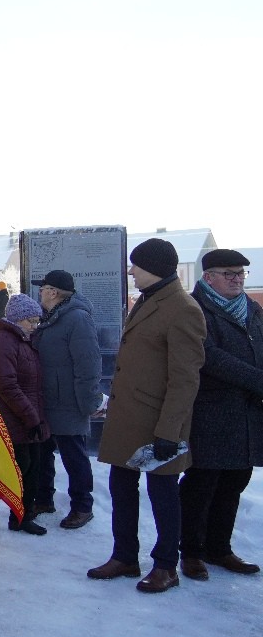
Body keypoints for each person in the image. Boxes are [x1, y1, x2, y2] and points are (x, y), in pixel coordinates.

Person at [88, 238, 205, 593]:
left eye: (136, 265)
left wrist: (169, 431)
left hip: (158, 423)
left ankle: (166, 565)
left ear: (153, 267)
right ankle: (124, 556)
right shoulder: (148, 301)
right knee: (121, 486)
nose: (131, 271)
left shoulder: (183, 308)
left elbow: (185, 378)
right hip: (128, 420)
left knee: (163, 493)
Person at [179, 249, 262, 579]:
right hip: (210, 410)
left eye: (240, 273)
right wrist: (257, 379)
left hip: (247, 413)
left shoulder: (251, 310)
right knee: (203, 483)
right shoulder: (196, 308)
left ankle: (220, 548)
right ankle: (192, 552)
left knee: (234, 481)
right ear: (208, 276)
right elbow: (208, 356)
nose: (237, 279)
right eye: (229, 273)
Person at [0, 294, 51, 535]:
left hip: (26, 414)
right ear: (18, 319)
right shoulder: (3, 343)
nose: (35, 326)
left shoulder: (23, 340)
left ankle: (21, 518)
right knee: (18, 465)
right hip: (10, 415)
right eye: (32, 321)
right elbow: (7, 387)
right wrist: (31, 417)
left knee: (32, 467)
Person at [30, 270, 102, 529]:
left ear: (53, 292)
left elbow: (89, 364)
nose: (39, 293)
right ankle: (43, 499)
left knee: (74, 456)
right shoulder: (51, 317)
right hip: (48, 400)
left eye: (43, 289)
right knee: (43, 451)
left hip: (70, 402)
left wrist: (89, 402)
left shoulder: (77, 319)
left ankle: (82, 506)